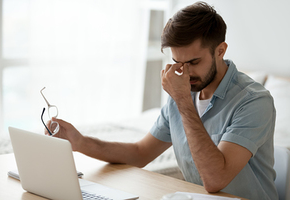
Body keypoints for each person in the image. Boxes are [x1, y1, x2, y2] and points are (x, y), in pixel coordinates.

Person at [45, 2, 278, 199]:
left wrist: (182, 101)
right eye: (178, 62)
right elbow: (139, 153)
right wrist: (79, 142)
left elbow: (215, 180)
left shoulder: (253, 102)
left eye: (194, 62)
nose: (184, 73)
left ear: (220, 50)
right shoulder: (186, 89)